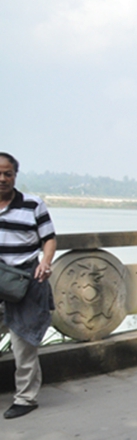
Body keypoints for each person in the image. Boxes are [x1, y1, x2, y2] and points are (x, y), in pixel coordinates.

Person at [0, 152, 56, 419]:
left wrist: (45, 262)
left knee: (24, 342)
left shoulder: (33, 205)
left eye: (7, 173)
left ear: (14, 176)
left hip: (25, 281)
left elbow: (49, 239)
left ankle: (26, 398)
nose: (2, 178)